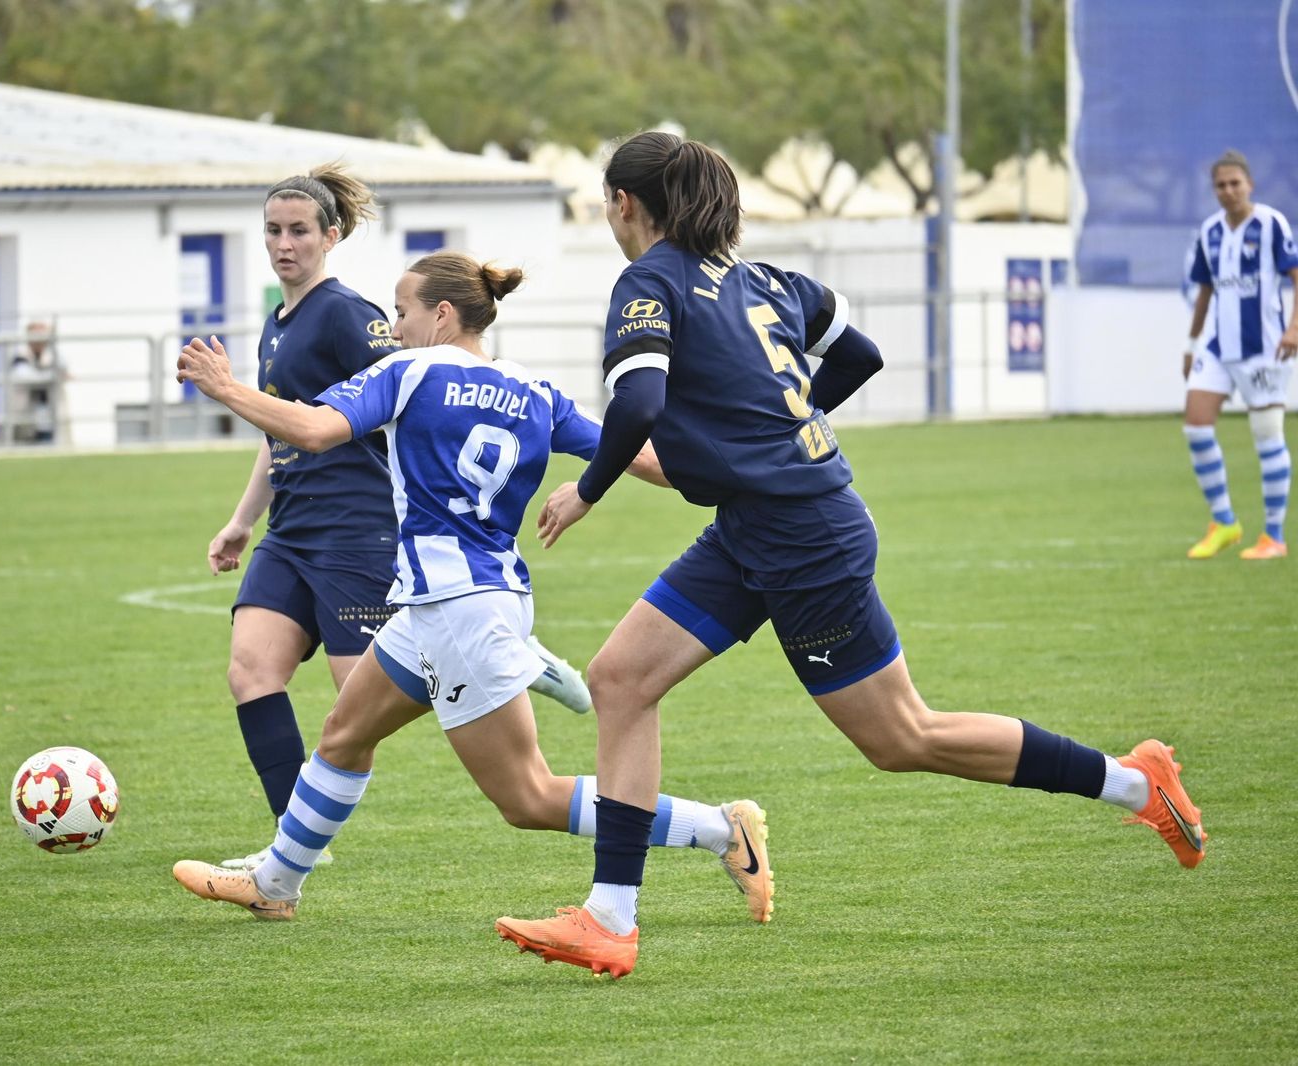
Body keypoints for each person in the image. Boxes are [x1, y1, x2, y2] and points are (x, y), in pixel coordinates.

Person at [494, 130, 1207, 979]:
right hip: (758, 525)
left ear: (623, 203)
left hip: (803, 538)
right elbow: (860, 355)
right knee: (620, 679)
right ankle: (611, 917)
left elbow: (639, 402)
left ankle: (1136, 783)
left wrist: (589, 489)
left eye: (604, 203)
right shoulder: (767, 279)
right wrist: (776, 436)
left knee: (902, 736)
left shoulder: (649, 281)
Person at [170, 251, 774, 934]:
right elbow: (646, 457)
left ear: (442, 315)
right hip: (451, 601)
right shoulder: (534, 390)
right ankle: (275, 884)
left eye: (401, 311)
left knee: (528, 796)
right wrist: (744, 470)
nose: (394, 327)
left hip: (459, 609)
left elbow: (312, 431)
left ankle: (719, 829)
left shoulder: (408, 372)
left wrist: (226, 387)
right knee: (343, 734)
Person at [199, 165, 594, 873]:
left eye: (298, 231)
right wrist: (243, 518)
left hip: (358, 526)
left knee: (364, 706)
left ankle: (517, 658)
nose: (284, 243)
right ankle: (288, 853)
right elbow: (282, 428)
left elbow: (406, 399)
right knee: (252, 670)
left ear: (331, 236)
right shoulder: (276, 326)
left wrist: (226, 389)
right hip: (292, 528)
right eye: (273, 230)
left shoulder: (354, 318)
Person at [1180, 149, 1298, 561]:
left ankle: (1274, 536)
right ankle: (1224, 522)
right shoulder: (1209, 231)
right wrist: (1191, 344)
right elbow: (1205, 290)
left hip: (1265, 347)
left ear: (1250, 184)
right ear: (1214, 190)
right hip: (1217, 345)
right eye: (1221, 185)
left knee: (1267, 437)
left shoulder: (1270, 224)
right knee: (1196, 427)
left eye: (1235, 183)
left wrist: (1294, 327)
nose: (1228, 191)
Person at [8, 320, 62, 444]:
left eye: (43, 335)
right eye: (36, 335)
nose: (39, 340)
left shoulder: (52, 355)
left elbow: (63, 367)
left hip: (48, 416)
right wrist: (50, 374)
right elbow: (30, 378)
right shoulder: (20, 357)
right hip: (25, 415)